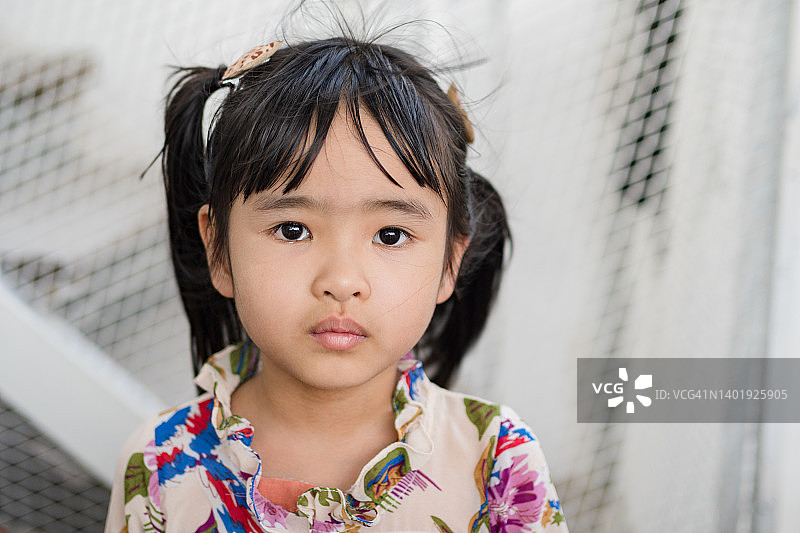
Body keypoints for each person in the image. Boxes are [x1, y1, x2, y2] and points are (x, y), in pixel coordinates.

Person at [105, 33, 568, 532]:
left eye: (390, 235)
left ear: (449, 262)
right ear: (219, 250)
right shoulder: (159, 463)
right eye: (292, 230)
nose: (342, 282)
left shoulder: (498, 460)